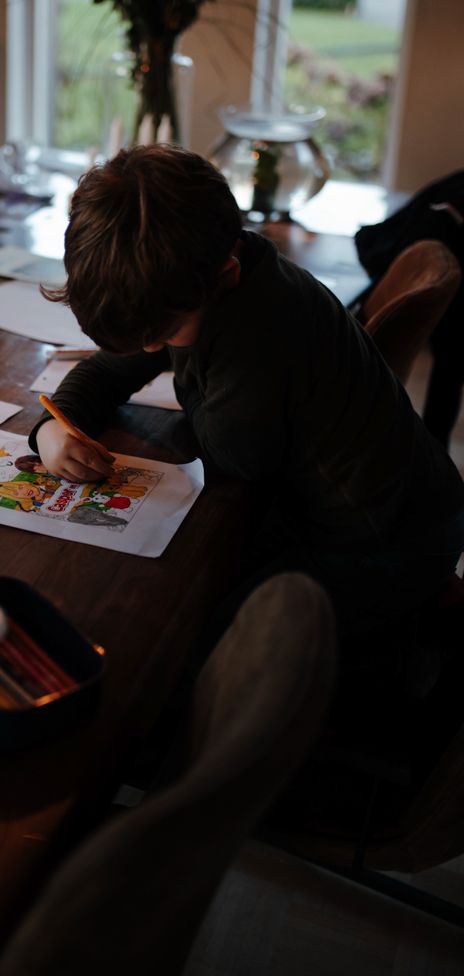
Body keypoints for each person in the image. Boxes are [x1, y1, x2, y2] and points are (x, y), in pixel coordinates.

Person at [28, 144, 464, 718]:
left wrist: (184, 373)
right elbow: (116, 364)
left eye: (162, 335)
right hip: (381, 504)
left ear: (225, 276)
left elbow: (238, 460)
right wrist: (53, 428)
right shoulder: (207, 278)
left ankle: (402, 654)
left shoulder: (259, 336)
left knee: (190, 639)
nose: (153, 348)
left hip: (381, 542)